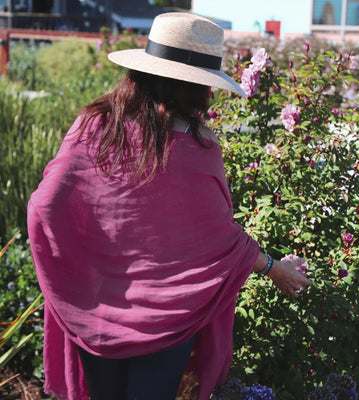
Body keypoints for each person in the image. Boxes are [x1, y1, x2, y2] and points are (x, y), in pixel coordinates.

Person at [27, 12, 312, 400]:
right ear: (197, 87)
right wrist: (274, 267)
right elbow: (217, 238)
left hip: (95, 316)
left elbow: (45, 206)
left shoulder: (93, 127)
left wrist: (78, 271)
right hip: (166, 323)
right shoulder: (198, 148)